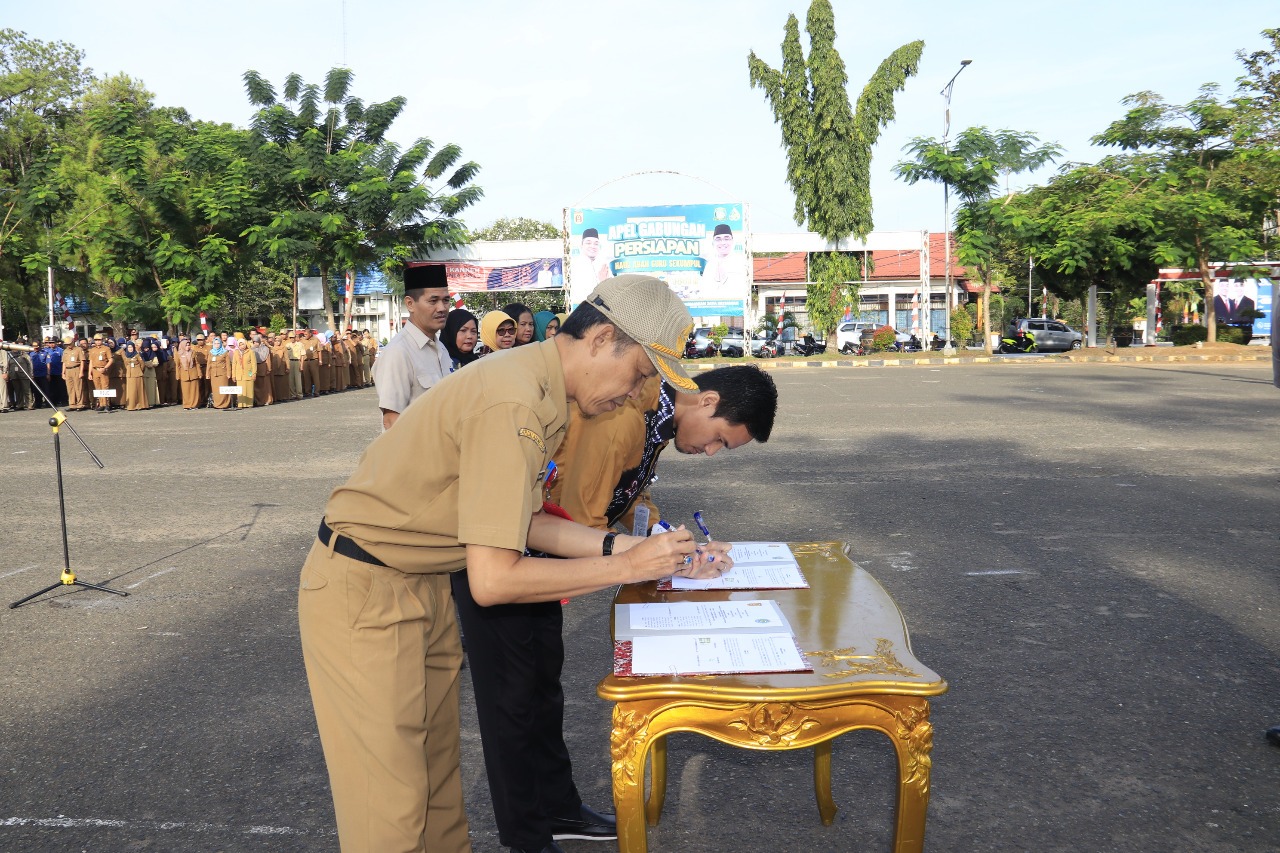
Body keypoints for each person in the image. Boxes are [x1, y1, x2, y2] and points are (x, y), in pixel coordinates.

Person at [298, 274, 725, 853]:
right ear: (601, 340)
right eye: (642, 374)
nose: (638, 394)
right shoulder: (516, 399)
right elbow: (495, 579)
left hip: (416, 583)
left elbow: (522, 521)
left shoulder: (541, 391)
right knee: (390, 815)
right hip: (365, 588)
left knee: (438, 796)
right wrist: (626, 567)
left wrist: (634, 551)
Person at [551, 364, 778, 532]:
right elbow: (583, 523)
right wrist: (652, 556)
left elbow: (626, 489)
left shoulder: (659, 413)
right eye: (719, 438)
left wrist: (662, 535)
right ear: (708, 401)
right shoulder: (625, 413)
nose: (711, 451)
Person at [372, 264, 453, 431]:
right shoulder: (399, 352)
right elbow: (391, 420)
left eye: (446, 300)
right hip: (416, 455)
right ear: (410, 304)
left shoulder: (441, 349)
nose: (442, 308)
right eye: (433, 300)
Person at [699, 223, 748, 294]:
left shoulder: (741, 262)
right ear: (713, 243)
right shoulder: (709, 265)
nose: (723, 242)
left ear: (732, 241)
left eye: (726, 238)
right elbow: (705, 288)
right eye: (718, 239)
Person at [176, 337, 202, 409]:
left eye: (189, 345)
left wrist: (199, 373)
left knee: (194, 390)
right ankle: (187, 405)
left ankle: (194, 405)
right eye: (186, 345)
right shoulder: (178, 354)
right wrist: (178, 375)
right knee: (185, 391)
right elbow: (177, 366)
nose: (188, 347)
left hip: (193, 373)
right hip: (184, 374)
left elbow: (197, 363)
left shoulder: (193, 352)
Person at [207, 335, 233, 410]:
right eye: (215, 344)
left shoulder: (225, 352)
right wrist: (207, 374)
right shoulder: (211, 352)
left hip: (223, 374)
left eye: (218, 343)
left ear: (221, 344)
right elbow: (209, 364)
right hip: (214, 374)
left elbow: (228, 364)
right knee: (216, 390)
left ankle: (225, 404)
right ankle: (217, 404)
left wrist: (228, 374)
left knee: (223, 389)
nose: (216, 345)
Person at [63, 338, 88, 411]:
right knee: (70, 388)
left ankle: (80, 404)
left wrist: (81, 372)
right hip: (68, 370)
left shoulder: (78, 349)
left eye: (69, 344)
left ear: (73, 342)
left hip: (76, 368)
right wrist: (63, 372)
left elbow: (82, 361)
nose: (68, 345)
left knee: (78, 387)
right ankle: (72, 404)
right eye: (66, 344)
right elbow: (64, 362)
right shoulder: (65, 351)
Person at [122, 339, 147, 411]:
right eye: (129, 347)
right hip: (129, 375)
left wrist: (138, 370)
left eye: (131, 347)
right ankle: (131, 406)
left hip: (137, 374)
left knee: (139, 390)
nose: (130, 349)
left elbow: (142, 364)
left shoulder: (137, 355)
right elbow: (125, 364)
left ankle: (140, 405)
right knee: (131, 391)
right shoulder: (126, 355)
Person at [233, 338, 256, 409]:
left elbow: (254, 363)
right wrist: (233, 375)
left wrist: (254, 373)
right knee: (240, 390)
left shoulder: (250, 352)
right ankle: (241, 404)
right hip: (239, 374)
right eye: (240, 345)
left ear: (245, 344)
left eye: (242, 344)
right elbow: (234, 364)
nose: (241, 346)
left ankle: (249, 404)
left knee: (249, 389)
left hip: (248, 373)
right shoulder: (236, 352)